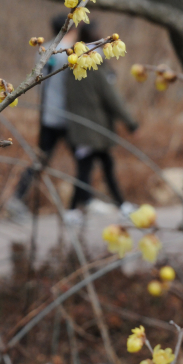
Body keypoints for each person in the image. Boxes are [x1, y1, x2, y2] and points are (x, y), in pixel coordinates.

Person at [64, 24, 138, 223]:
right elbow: (111, 97)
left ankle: (119, 205)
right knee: (89, 169)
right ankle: (73, 210)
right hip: (95, 128)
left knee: (95, 167)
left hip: (80, 127)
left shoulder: (72, 63)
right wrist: (130, 121)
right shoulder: (95, 66)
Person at [5, 13, 77, 219]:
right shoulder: (66, 53)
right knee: (84, 159)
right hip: (64, 117)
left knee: (41, 160)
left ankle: (17, 198)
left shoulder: (44, 51)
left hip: (48, 115)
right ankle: (82, 204)